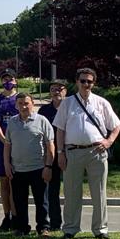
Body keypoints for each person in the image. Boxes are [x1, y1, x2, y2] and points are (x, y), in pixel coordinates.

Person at [53, 68, 120, 239]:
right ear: (76, 82)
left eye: (89, 81)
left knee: (99, 193)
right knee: (71, 193)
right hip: (72, 152)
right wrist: (60, 153)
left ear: (94, 83)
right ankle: (70, 229)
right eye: (83, 81)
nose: (86, 84)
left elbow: (116, 125)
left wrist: (109, 141)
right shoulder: (67, 103)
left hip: (96, 152)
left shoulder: (101, 103)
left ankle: (100, 229)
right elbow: (60, 130)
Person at [4, 93, 55, 237]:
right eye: (20, 103)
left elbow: (50, 145)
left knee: (42, 202)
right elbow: (7, 145)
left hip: (38, 168)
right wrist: (7, 164)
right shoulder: (12, 122)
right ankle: (21, 228)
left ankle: (43, 228)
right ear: (16, 105)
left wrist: (48, 166)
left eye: (26, 103)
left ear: (33, 103)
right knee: (19, 201)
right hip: (17, 169)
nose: (23, 106)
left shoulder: (42, 121)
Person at [0, 69, 20, 231]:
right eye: (5, 79)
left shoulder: (20, 98)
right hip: (1, 145)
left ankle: (16, 216)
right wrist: (3, 139)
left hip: (18, 145)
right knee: (4, 182)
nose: (8, 81)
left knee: (15, 182)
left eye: (11, 78)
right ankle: (6, 215)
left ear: (15, 80)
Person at [37, 81, 67, 231]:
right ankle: (55, 223)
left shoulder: (71, 108)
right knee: (52, 190)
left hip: (70, 152)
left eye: (59, 89)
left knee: (70, 190)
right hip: (52, 154)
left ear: (65, 91)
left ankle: (71, 224)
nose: (56, 92)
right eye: (53, 90)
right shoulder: (44, 110)